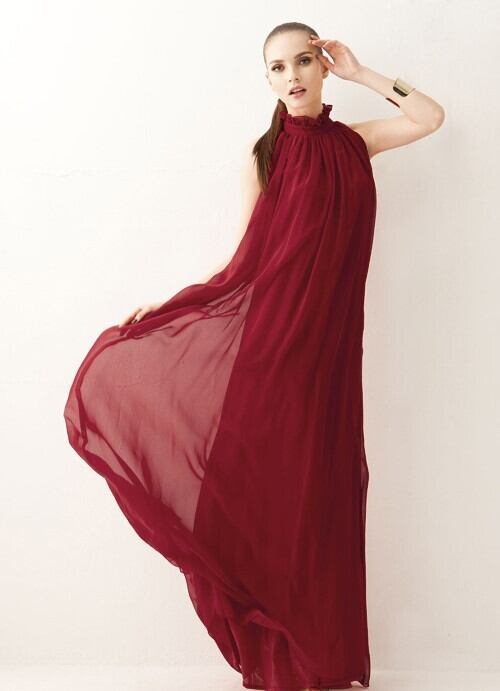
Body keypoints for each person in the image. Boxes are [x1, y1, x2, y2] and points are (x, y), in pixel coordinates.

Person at [63, 20, 445, 691]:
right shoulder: (263, 155)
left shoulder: (355, 143)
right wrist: (170, 305)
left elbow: (429, 117)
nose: (292, 76)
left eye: (303, 62)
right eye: (277, 67)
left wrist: (363, 74)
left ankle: (314, 657)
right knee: (259, 496)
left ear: (322, 66)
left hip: (325, 358)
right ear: (267, 80)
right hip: (268, 348)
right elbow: (240, 259)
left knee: (316, 497)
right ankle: (272, 653)